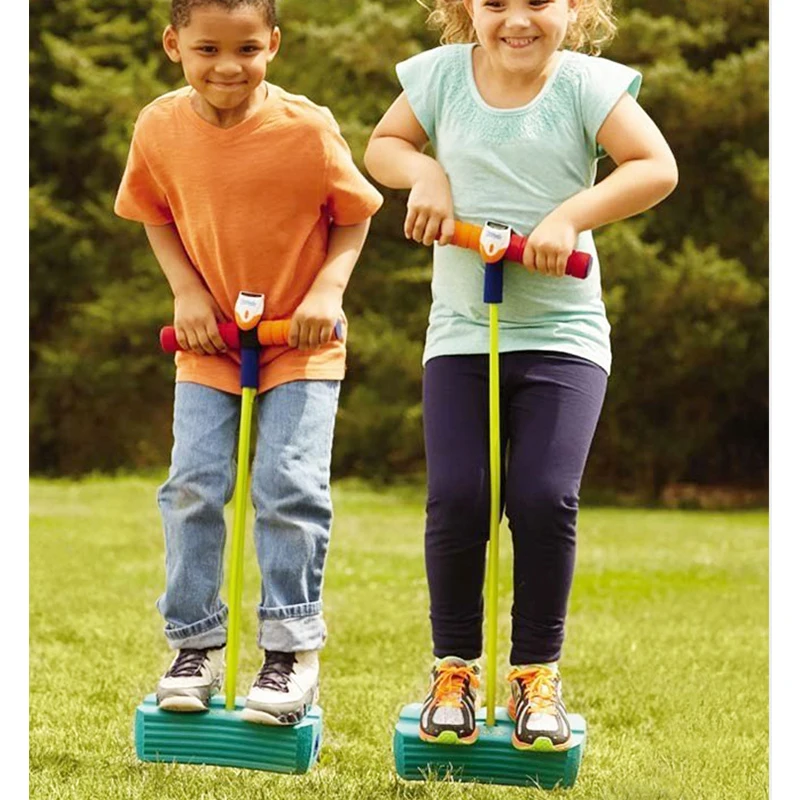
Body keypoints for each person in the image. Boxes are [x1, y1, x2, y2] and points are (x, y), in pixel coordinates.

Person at [364, 0, 677, 751]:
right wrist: (424, 171)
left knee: (542, 496)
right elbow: (384, 145)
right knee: (459, 497)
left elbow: (655, 167)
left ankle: (536, 674)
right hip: (462, 332)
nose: (516, 20)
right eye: (495, 3)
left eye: (537, 1)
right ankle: (454, 672)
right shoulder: (442, 77)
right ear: (465, 8)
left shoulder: (586, 86)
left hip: (562, 335)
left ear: (574, 7)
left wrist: (571, 217)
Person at [114, 0, 383, 724]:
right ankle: (193, 645)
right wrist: (186, 293)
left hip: (300, 340)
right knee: (192, 487)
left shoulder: (306, 127)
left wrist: (327, 292)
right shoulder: (159, 127)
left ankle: (290, 651)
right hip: (211, 343)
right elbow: (153, 213)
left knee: (287, 487)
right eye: (208, 49)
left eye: (247, 48)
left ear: (274, 45)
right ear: (174, 45)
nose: (228, 66)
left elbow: (355, 214)